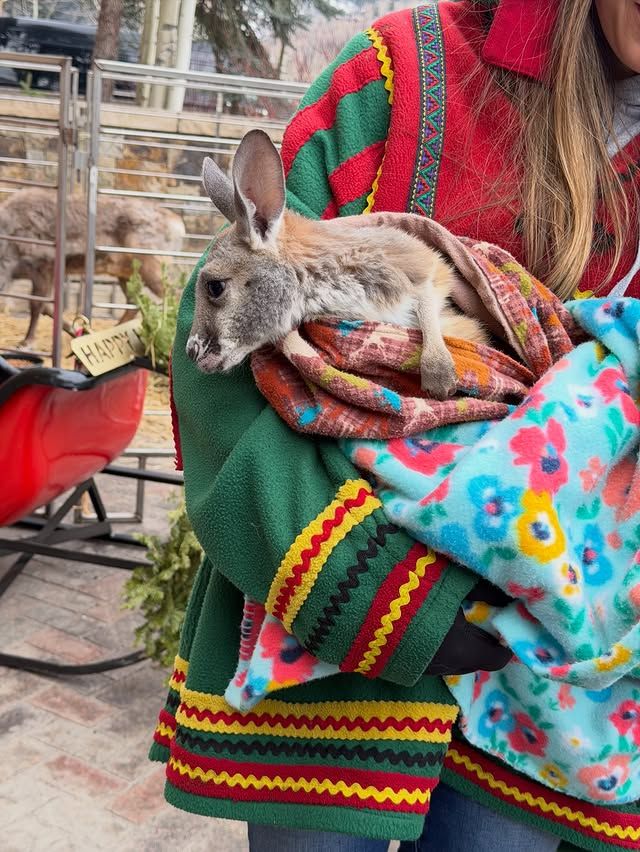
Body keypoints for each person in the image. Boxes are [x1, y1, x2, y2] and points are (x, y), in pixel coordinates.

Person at [149, 1, 640, 850]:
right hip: (328, 659)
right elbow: (222, 330)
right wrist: (367, 589)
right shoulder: (406, 74)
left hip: (541, 686)